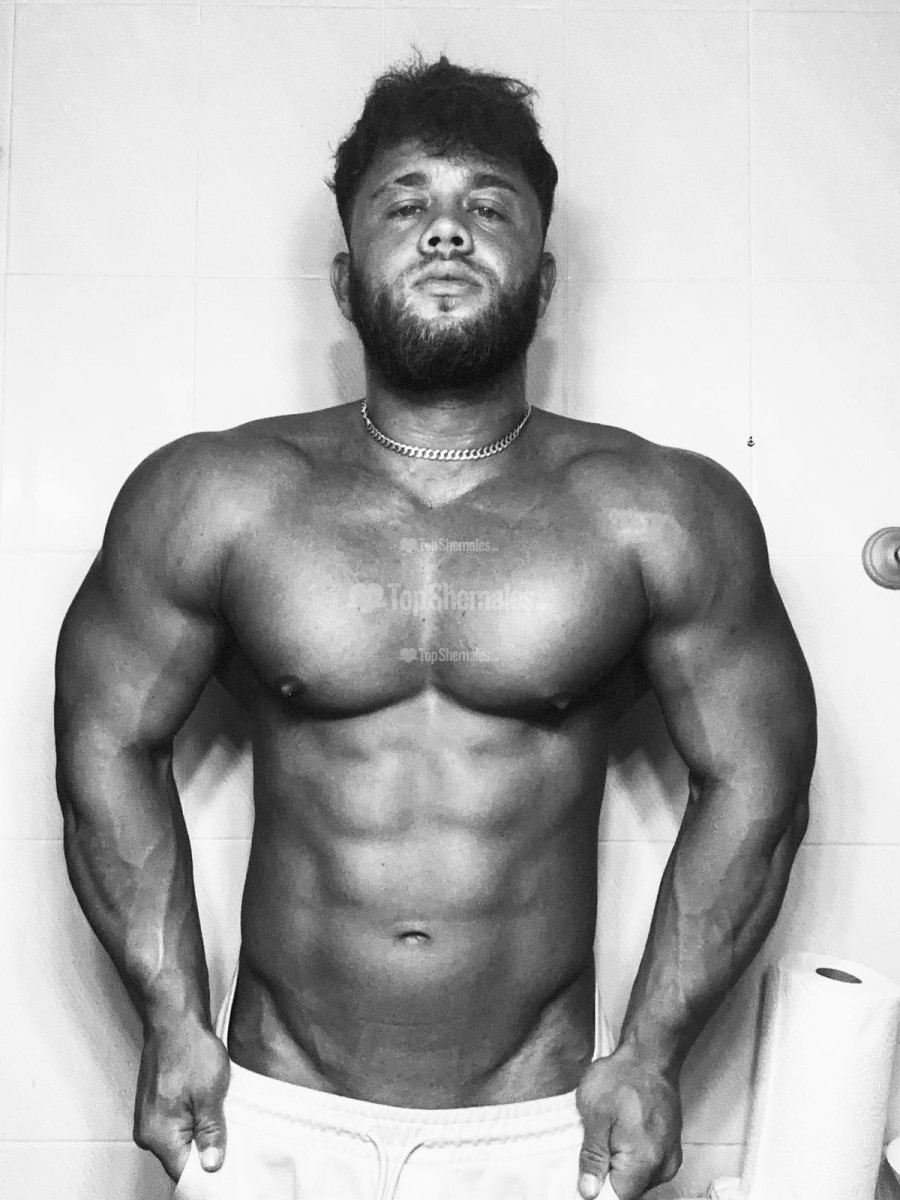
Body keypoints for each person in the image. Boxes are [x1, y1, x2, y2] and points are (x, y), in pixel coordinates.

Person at [54, 54, 816, 1200]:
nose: (447, 231)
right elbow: (105, 739)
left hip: (539, 1128)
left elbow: (762, 781)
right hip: (263, 1112)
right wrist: (169, 1015)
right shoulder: (216, 495)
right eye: (404, 204)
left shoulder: (657, 511)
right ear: (343, 276)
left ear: (544, 280)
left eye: (488, 207)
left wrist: (655, 1053)